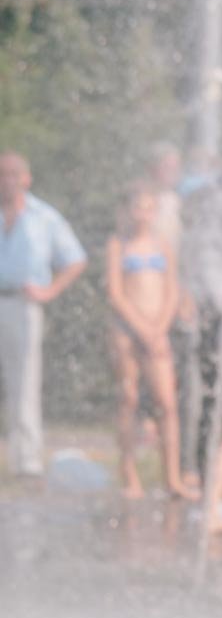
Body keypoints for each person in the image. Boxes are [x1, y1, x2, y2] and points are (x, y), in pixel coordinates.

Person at [105, 181, 196, 500]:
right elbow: (115, 293)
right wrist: (142, 329)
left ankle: (172, 477)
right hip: (127, 330)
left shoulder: (162, 247)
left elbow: (172, 290)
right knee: (128, 399)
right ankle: (129, 474)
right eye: (137, 208)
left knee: (167, 404)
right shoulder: (118, 244)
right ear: (128, 211)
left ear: (154, 212)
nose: (142, 214)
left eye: (148, 208)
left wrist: (159, 328)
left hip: (157, 330)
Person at [0, 151, 87, 478]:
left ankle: (27, 460)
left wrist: (50, 290)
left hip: (24, 303)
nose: (6, 181)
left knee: (24, 383)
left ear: (26, 179)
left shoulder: (43, 217)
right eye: (1, 174)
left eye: (13, 174)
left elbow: (75, 258)